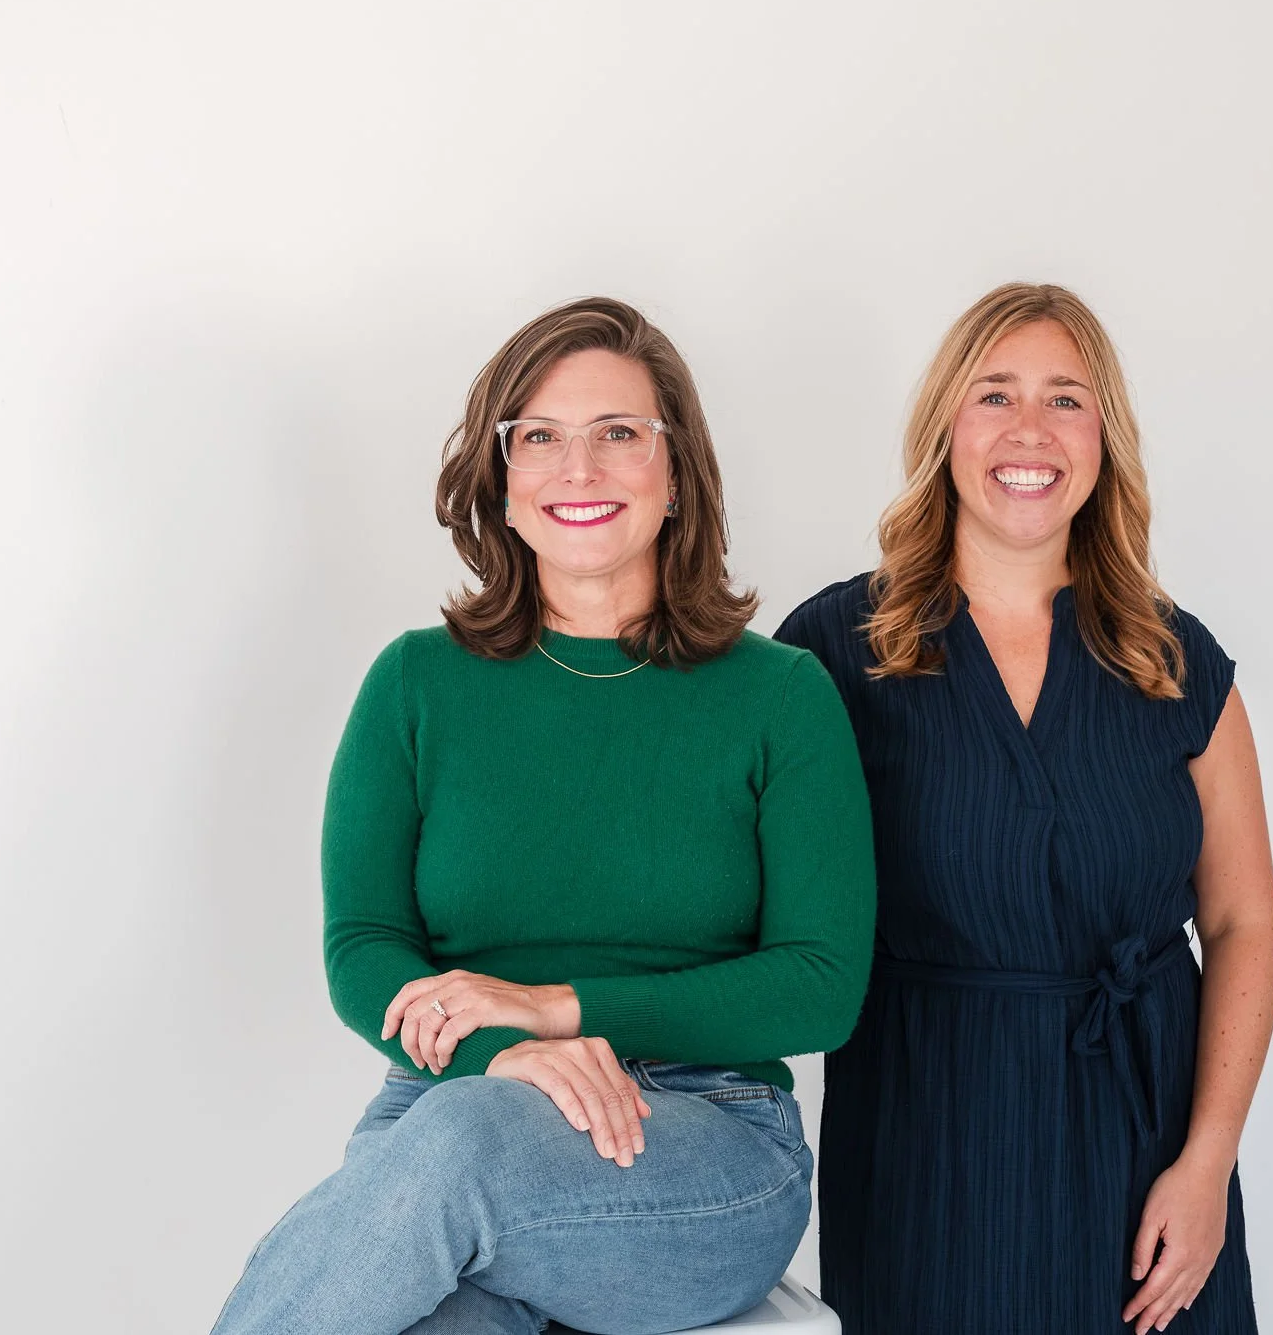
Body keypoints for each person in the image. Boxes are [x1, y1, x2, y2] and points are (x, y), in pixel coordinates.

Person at [210, 297, 876, 1335]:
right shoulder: (414, 685)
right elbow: (364, 945)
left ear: (675, 475)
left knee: (463, 1146)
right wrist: (499, 1057)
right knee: (443, 1306)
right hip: (452, 1108)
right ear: (501, 486)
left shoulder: (780, 697)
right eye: (539, 439)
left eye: (619, 434)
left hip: (700, 1140)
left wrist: (556, 1012)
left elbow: (819, 988)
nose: (580, 469)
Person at [777, 283, 1273, 1335]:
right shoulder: (832, 652)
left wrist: (1205, 1164)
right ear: (944, 429)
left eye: (1065, 400)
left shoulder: (1175, 663)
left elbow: (1239, 924)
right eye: (993, 395)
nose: (1027, 430)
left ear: (1103, 439)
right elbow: (744, 897)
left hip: (1144, 1148)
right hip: (927, 1142)